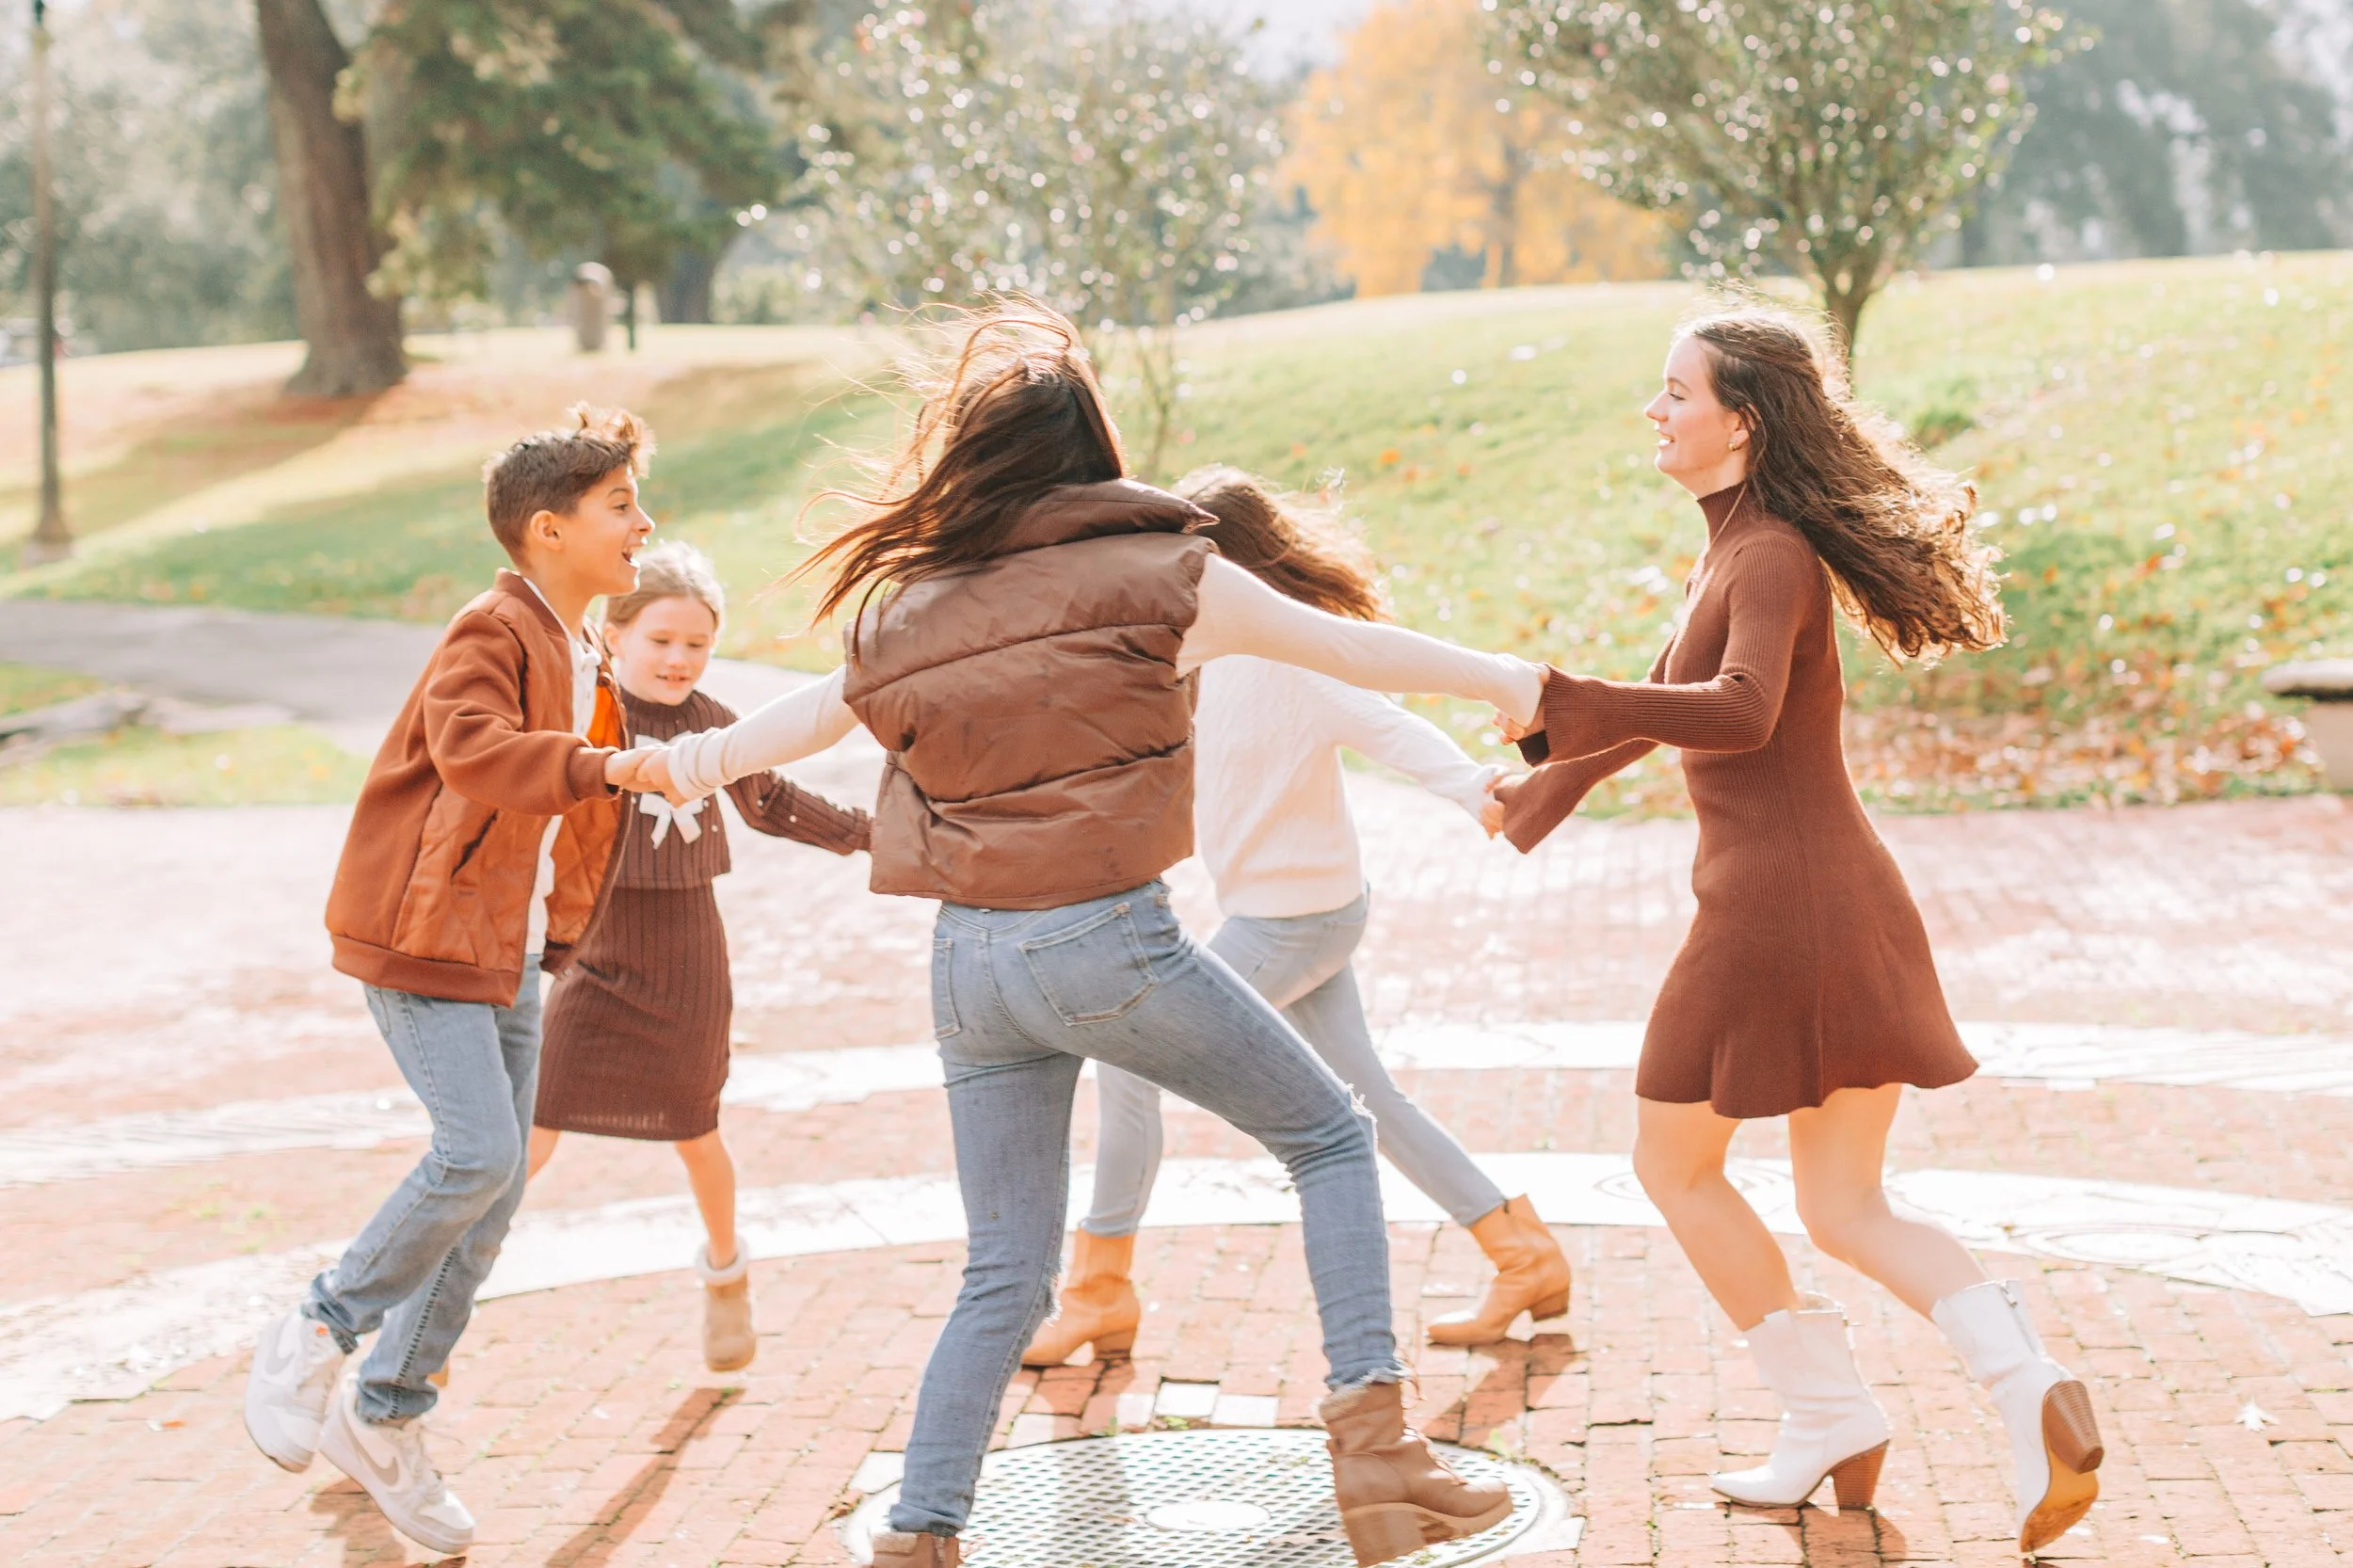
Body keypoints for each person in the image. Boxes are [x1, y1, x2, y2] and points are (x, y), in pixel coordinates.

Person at [635, 304, 1539, 1568]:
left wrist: (684, 764)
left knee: (1003, 1268)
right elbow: (1349, 648)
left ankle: (921, 1533)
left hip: (967, 969)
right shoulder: (1165, 571)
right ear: (1094, 456)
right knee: (1332, 1135)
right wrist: (1510, 682)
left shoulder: (912, 608)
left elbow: (804, 717)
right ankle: (1379, 1456)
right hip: (1101, 945)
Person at [1494, 307, 2104, 1554]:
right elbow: (1673, 708)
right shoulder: (1736, 549)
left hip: (1781, 911)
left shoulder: (1763, 553)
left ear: (1742, 421)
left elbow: (1742, 709)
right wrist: (1545, 784)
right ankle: (2021, 1380)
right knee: (1845, 1203)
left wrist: (1562, 697)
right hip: (1831, 902)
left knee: (1673, 1164)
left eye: (1674, 393)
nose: (1653, 412)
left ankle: (1829, 1407)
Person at [1022, 466, 1570, 1371]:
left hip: (1298, 922)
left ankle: (1098, 1293)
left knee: (1126, 1058)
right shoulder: (1187, 661)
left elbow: (1386, 721)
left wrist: (1476, 787)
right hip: (1300, 913)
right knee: (1370, 1098)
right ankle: (1523, 1254)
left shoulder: (1291, 658)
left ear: (1221, 562)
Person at [241, 407, 663, 1558]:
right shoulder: (492, 628)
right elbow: (474, 748)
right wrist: (608, 759)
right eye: (620, 506)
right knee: (474, 1153)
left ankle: (384, 1415)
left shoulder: (585, 651)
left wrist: (572, 930)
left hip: (507, 953)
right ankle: (311, 1335)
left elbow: (577, 820)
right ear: (548, 529)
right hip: (424, 936)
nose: (644, 524)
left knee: (500, 1190)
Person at [527, 541, 872, 1373]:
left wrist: (872, 837)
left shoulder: (717, 725)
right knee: (528, 1129)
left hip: (685, 956)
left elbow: (773, 800)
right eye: (661, 641)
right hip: (593, 954)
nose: (679, 659)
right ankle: (446, 1286)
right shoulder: (583, 718)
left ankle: (727, 1272)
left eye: (697, 644)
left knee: (696, 1129)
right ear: (612, 636)